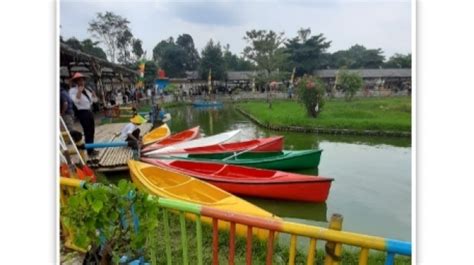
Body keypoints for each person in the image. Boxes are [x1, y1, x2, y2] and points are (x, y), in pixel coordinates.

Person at [68, 72, 99, 157]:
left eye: (82, 80)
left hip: (89, 111)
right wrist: (79, 92)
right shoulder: (73, 91)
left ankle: (91, 149)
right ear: (76, 82)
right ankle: (89, 151)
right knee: (87, 131)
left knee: (92, 131)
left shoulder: (87, 90)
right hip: (82, 112)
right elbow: (75, 101)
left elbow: (94, 101)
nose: (81, 82)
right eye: (79, 80)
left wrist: (94, 96)